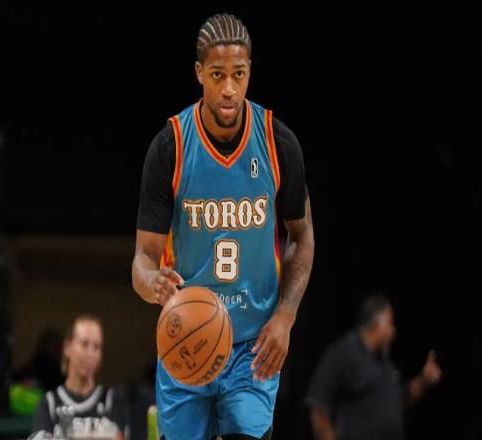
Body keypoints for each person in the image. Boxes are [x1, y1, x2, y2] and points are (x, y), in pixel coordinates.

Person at [132, 12, 315, 440]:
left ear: (249, 72)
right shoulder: (171, 147)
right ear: (199, 73)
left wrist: (286, 315)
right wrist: (151, 282)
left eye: (239, 74)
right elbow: (142, 260)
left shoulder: (277, 142)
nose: (229, 88)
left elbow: (303, 236)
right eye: (217, 75)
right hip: (187, 338)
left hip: (253, 347)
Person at [306, 294, 442, 440]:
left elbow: (399, 401)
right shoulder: (342, 353)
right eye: (390, 323)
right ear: (377, 322)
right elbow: (319, 410)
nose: (393, 331)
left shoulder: (386, 363)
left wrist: (423, 381)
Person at [31, 315, 126, 440]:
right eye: (84, 344)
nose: (90, 353)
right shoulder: (49, 404)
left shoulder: (111, 400)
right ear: (67, 348)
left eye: (96, 347)